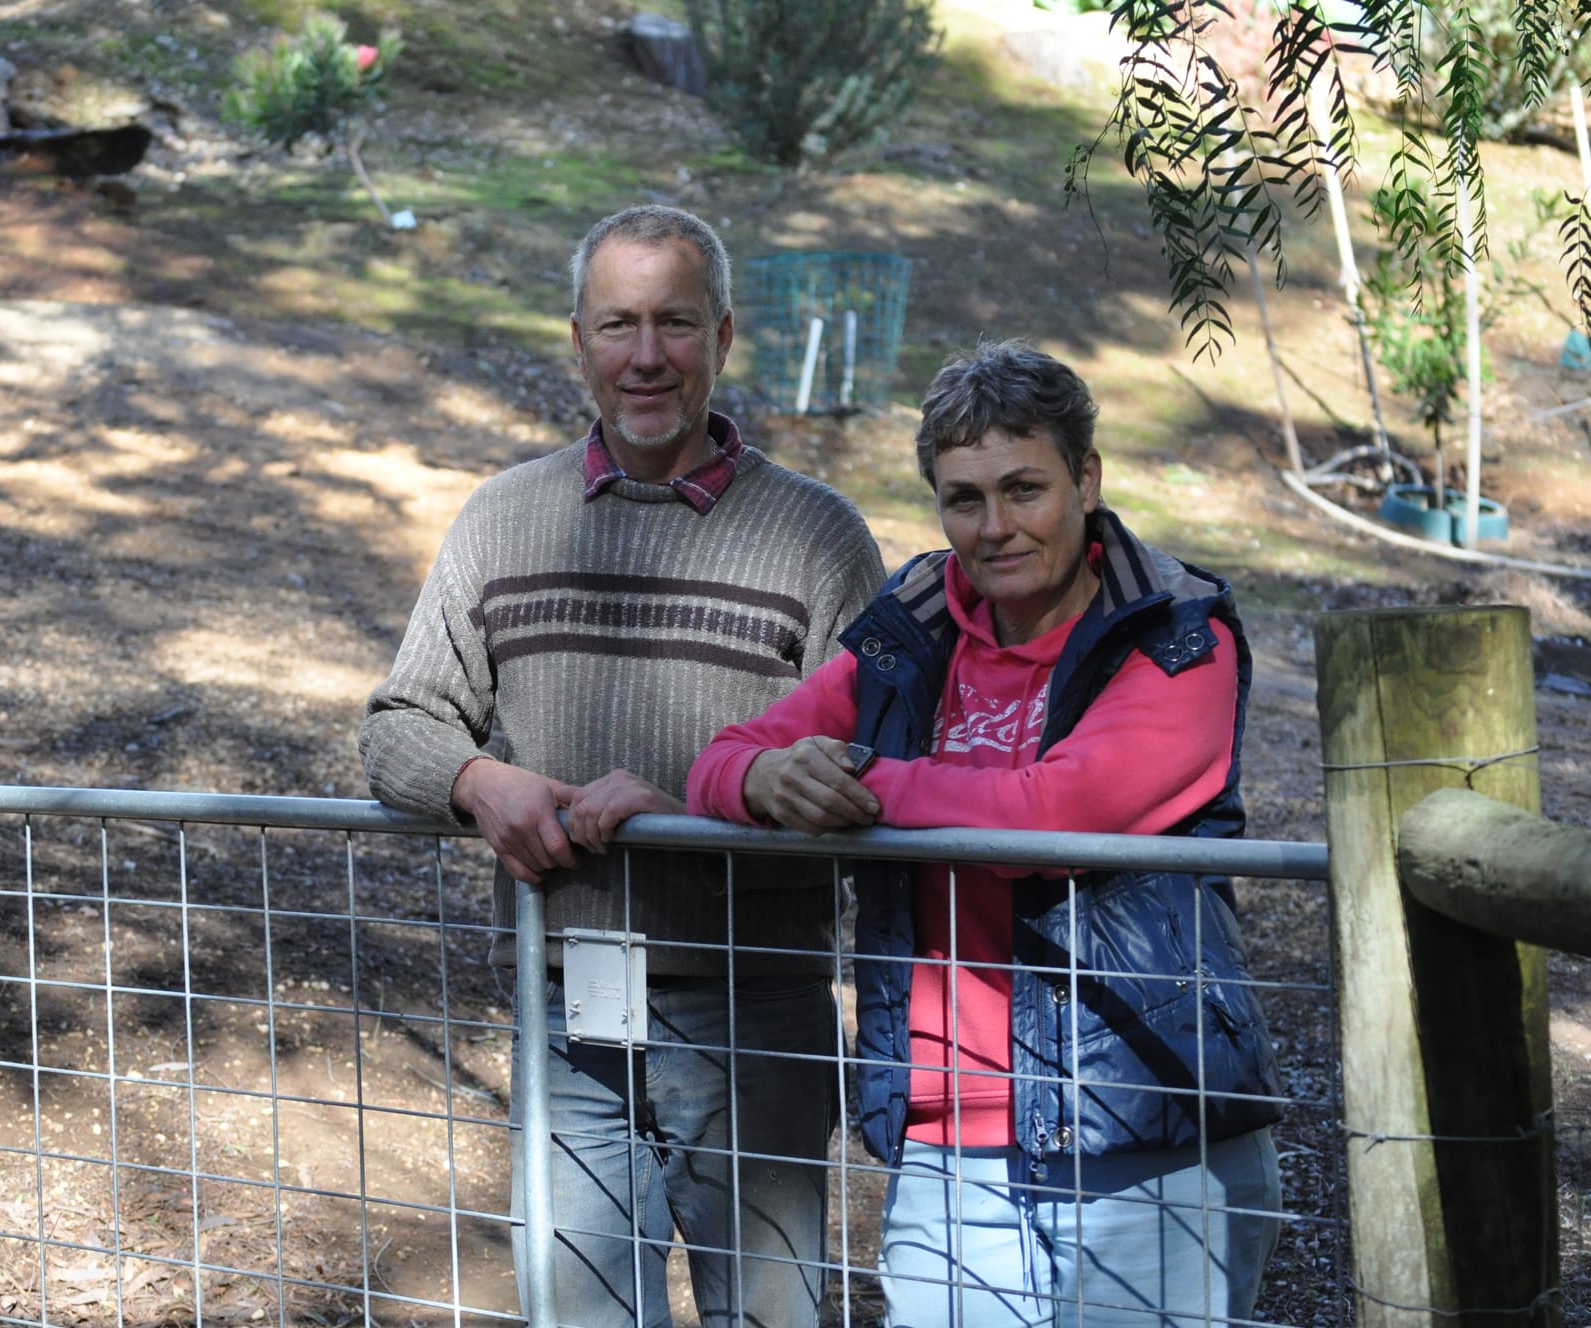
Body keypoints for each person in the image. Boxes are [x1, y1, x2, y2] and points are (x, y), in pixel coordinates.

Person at [360, 204, 885, 1328]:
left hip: (758, 1014)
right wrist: (478, 782)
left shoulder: (817, 537)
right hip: (563, 1009)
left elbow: (884, 764)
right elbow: (399, 720)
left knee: (774, 1314)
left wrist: (720, 800)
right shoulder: (503, 521)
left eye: (674, 323)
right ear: (577, 343)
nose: (645, 355)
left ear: (724, 337)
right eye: (618, 325)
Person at [687, 340, 1284, 1326]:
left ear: (1085, 479)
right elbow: (720, 757)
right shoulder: (911, 631)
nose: (995, 526)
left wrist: (859, 778)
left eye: (1023, 488)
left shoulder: (1175, 632)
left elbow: (1050, 818)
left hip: (1142, 1137)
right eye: (963, 498)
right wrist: (762, 775)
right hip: (946, 1141)